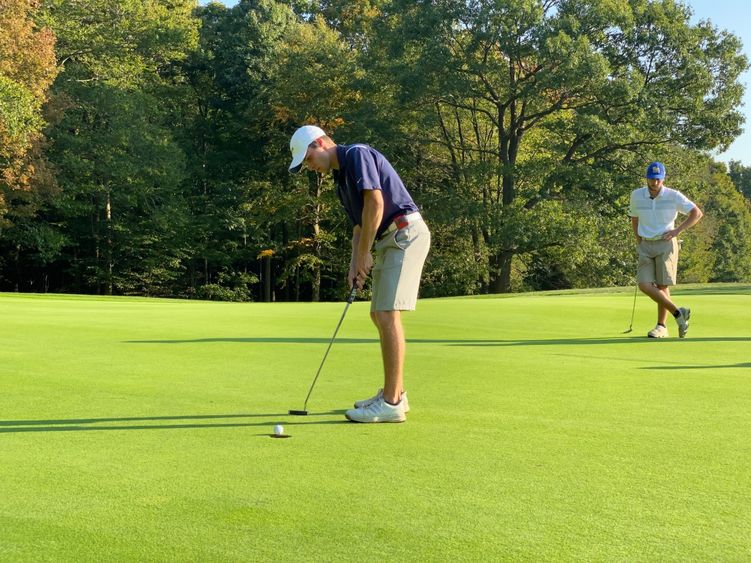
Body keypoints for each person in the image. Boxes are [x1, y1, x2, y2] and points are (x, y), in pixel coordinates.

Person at [288, 125, 431, 422]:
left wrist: (366, 253)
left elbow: (375, 203)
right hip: (389, 240)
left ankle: (391, 403)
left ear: (321, 143)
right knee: (377, 314)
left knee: (388, 314)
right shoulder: (341, 181)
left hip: (405, 233)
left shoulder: (356, 154)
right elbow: (358, 226)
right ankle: (396, 394)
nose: (310, 167)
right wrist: (355, 264)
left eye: (309, 159)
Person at [629, 161, 703, 338]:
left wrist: (677, 230)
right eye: (651, 179)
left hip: (665, 243)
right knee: (644, 284)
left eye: (657, 180)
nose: (654, 183)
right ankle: (678, 312)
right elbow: (634, 218)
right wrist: (639, 241)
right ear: (646, 178)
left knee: (662, 285)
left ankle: (661, 327)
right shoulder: (636, 195)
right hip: (645, 244)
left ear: (663, 179)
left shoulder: (673, 195)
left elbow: (696, 213)